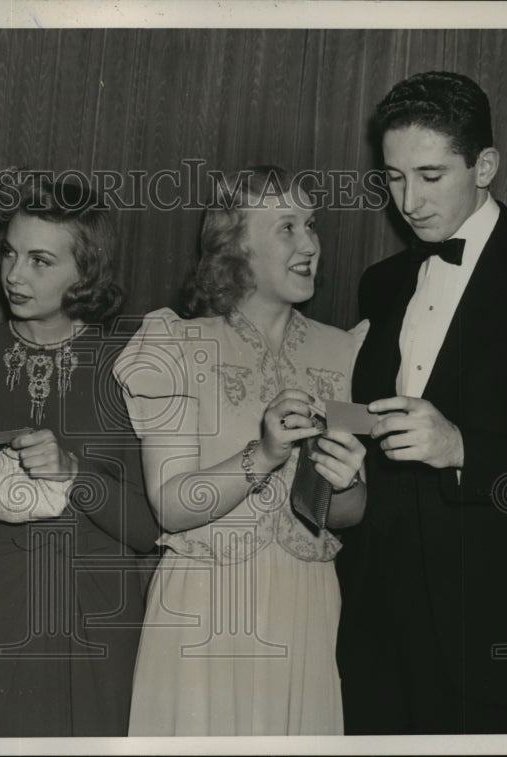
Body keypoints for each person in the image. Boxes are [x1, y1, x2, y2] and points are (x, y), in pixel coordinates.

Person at [337, 71, 507, 734]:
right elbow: (375, 426)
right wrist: (337, 445)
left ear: (485, 165)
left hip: (499, 636)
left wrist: (463, 449)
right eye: (394, 178)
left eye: (430, 175)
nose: (409, 200)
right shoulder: (381, 283)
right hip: (377, 630)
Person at [114, 166, 368, 736]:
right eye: (286, 227)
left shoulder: (343, 352)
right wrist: (266, 454)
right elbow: (172, 506)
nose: (309, 243)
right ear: (235, 245)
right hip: (205, 608)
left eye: (311, 225)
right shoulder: (176, 344)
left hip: (306, 607)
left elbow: (349, 514)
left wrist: (348, 484)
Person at [0, 174, 160, 737]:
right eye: (10, 253)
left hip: (98, 602)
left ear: (86, 272)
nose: (15, 275)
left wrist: (75, 474)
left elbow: (147, 529)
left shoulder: (130, 355)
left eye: (41, 261)